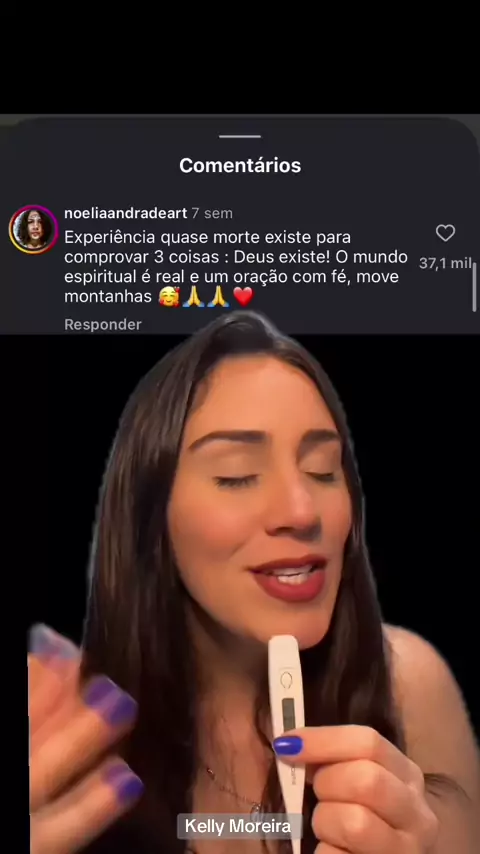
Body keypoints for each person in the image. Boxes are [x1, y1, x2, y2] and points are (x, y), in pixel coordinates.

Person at [29, 311, 480, 854]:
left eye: (323, 469)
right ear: (150, 519)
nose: (301, 511)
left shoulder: (410, 687)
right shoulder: (64, 740)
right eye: (237, 475)